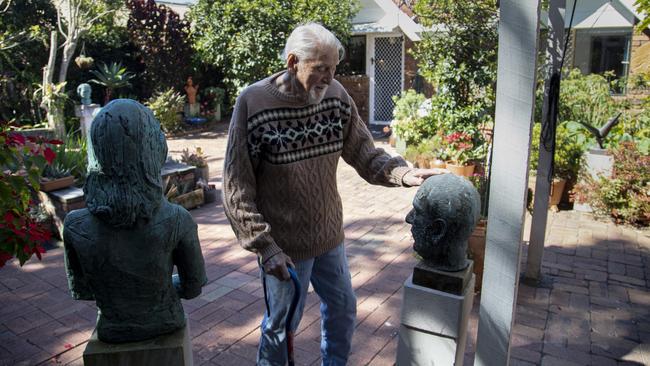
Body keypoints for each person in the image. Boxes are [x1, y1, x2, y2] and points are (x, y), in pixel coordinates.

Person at [222, 23, 446, 365]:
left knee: (343, 309)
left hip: (329, 236)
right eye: (321, 68)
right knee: (282, 327)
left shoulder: (337, 97)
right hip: (284, 247)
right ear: (293, 61)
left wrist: (403, 173)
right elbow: (236, 185)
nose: (329, 77)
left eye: (334, 67)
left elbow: (364, 153)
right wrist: (265, 247)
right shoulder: (253, 103)